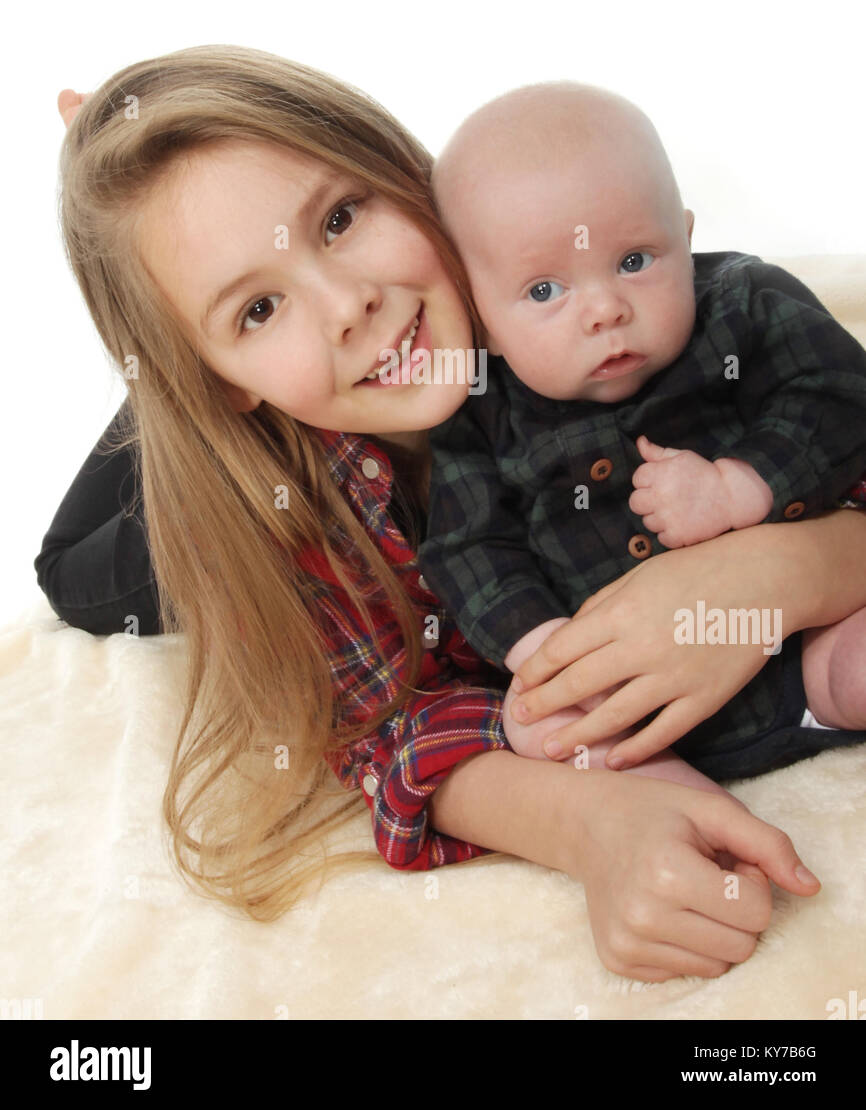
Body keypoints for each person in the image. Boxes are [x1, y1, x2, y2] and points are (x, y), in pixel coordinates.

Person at [34, 53, 866, 987]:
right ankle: (173, 381)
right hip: (203, 498)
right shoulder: (289, 525)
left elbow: (831, 429)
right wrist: (591, 824)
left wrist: (780, 573)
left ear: (409, 174)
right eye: (261, 307)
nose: (351, 304)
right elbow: (385, 729)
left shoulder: (598, 308)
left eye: (341, 220)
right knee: (73, 569)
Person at [419, 81, 866, 782]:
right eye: (544, 291)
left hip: (799, 649)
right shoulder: (481, 413)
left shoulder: (744, 308)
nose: (604, 308)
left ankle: (829, 697)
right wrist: (551, 652)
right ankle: (657, 788)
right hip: (615, 700)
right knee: (535, 720)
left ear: (685, 241)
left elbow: (839, 393)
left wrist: (739, 485)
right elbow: (467, 546)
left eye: (634, 261)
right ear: (484, 325)